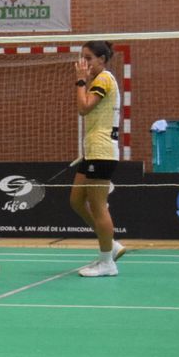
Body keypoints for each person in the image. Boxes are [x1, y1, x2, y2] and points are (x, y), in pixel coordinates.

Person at [70, 41, 127, 277]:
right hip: (92, 150)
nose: (83, 63)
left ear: (102, 59)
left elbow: (84, 108)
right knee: (76, 200)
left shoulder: (103, 79)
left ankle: (107, 263)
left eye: (88, 58)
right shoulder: (98, 80)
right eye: (82, 57)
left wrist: (80, 81)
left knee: (98, 206)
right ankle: (111, 244)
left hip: (102, 151)